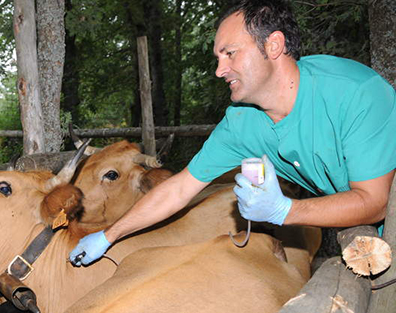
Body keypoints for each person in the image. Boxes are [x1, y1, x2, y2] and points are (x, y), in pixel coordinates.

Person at [69, 0, 396, 266]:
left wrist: (284, 211)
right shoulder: (241, 122)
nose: (219, 70)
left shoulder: (356, 93)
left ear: (273, 45)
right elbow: (179, 188)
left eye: (230, 53)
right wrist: (108, 236)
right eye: (217, 58)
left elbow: (374, 201)